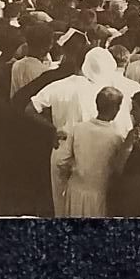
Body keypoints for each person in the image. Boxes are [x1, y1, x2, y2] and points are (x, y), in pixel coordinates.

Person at [55, 86, 126, 218]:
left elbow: (61, 160)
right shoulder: (117, 137)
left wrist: (71, 174)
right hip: (100, 193)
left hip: (75, 190)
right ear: (115, 109)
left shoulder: (78, 129)